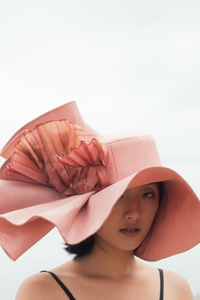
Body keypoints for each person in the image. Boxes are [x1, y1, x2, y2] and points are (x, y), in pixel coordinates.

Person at [0, 101, 198, 300]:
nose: (134, 212)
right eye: (119, 196)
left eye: (147, 194)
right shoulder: (42, 292)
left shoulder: (176, 289)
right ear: (90, 202)